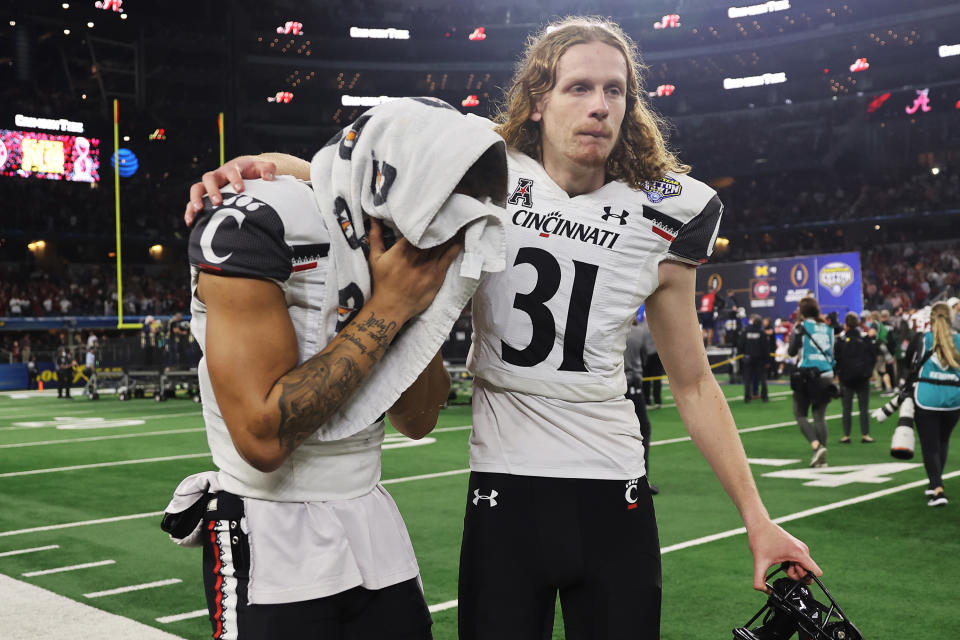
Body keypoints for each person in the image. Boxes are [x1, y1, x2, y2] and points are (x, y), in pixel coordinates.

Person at [185, 17, 821, 638]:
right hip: (506, 480)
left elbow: (693, 384)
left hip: (613, 479)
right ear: (538, 100)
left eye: (615, 90)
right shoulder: (483, 172)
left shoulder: (663, 213)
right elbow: (352, 171)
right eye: (578, 87)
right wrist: (253, 166)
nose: (599, 105)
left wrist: (757, 518)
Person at [167, 174, 477, 639]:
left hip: (371, 518)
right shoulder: (251, 223)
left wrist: (413, 307)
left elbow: (418, 420)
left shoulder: (385, 238)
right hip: (270, 526)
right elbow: (264, 439)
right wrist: (390, 306)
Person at [908, 301, 960, 507]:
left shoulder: (923, 339)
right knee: (943, 441)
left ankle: (937, 489)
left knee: (930, 446)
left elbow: (909, 363)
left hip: (927, 398)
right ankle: (935, 481)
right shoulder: (958, 340)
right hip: (953, 399)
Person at [788, 297, 836, 467]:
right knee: (819, 416)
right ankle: (822, 456)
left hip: (807, 374)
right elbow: (833, 352)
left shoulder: (800, 327)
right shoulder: (828, 328)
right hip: (826, 373)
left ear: (802, 312)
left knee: (800, 414)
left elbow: (792, 351)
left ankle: (816, 446)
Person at [624, 317, 658, 494]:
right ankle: (642, 480)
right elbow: (646, 357)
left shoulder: (613, 330)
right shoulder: (638, 333)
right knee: (643, 431)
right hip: (634, 387)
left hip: (613, 388)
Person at [834, 312, 876, 443]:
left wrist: (839, 373)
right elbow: (872, 356)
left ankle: (846, 435)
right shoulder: (864, 339)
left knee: (846, 408)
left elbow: (837, 359)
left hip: (846, 379)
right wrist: (868, 372)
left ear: (845, 325)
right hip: (862, 378)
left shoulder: (840, 341)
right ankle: (865, 434)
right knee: (864, 408)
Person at [740, 314, 770, 403]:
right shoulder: (762, 333)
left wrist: (743, 354)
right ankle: (764, 397)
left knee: (747, 379)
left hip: (748, 359)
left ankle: (747, 398)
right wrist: (767, 361)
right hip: (760, 360)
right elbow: (766, 348)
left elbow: (741, 344)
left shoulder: (746, 331)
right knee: (763, 379)